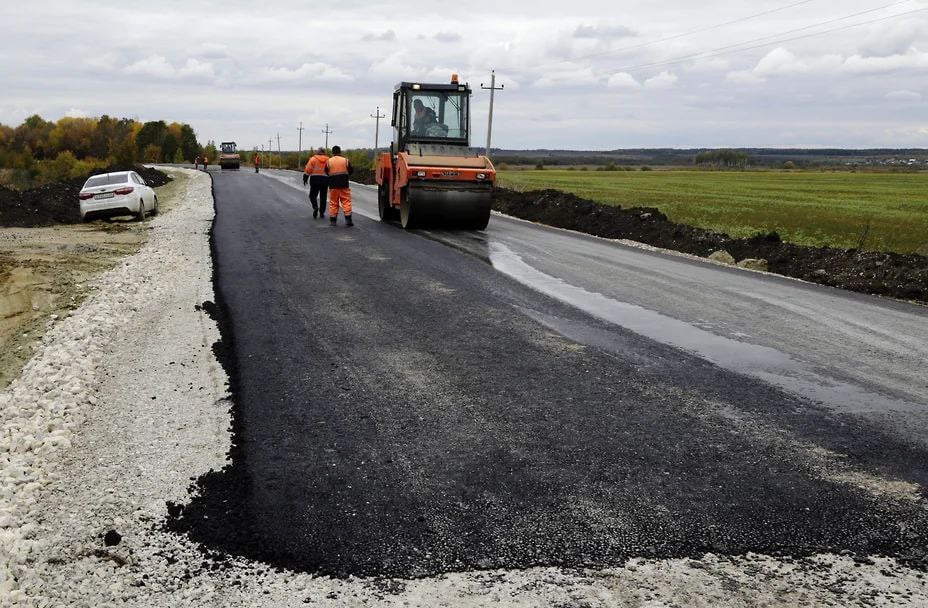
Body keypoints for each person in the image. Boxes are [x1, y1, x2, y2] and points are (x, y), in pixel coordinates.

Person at [325, 145, 353, 226]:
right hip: (344, 184)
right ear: (340, 152)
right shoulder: (345, 160)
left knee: (333, 203)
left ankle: (333, 221)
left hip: (333, 185)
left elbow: (326, 172)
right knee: (346, 202)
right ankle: (348, 220)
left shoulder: (329, 161)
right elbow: (351, 171)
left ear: (333, 152)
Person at [304, 147, 329, 219]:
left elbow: (308, 169)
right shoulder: (328, 160)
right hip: (325, 180)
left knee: (312, 196)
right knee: (323, 197)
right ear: (324, 152)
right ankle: (321, 213)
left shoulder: (313, 159)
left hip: (315, 179)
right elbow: (331, 169)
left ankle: (315, 207)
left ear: (318, 152)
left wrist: (305, 178)